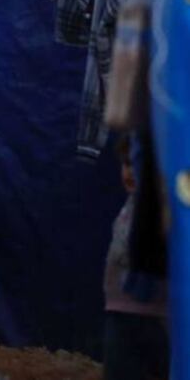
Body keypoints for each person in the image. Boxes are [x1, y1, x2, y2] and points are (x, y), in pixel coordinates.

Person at [102, 137, 168, 379]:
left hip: (157, 316)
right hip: (119, 312)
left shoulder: (163, 210)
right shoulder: (129, 208)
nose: (129, 171)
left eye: (136, 164)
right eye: (126, 163)